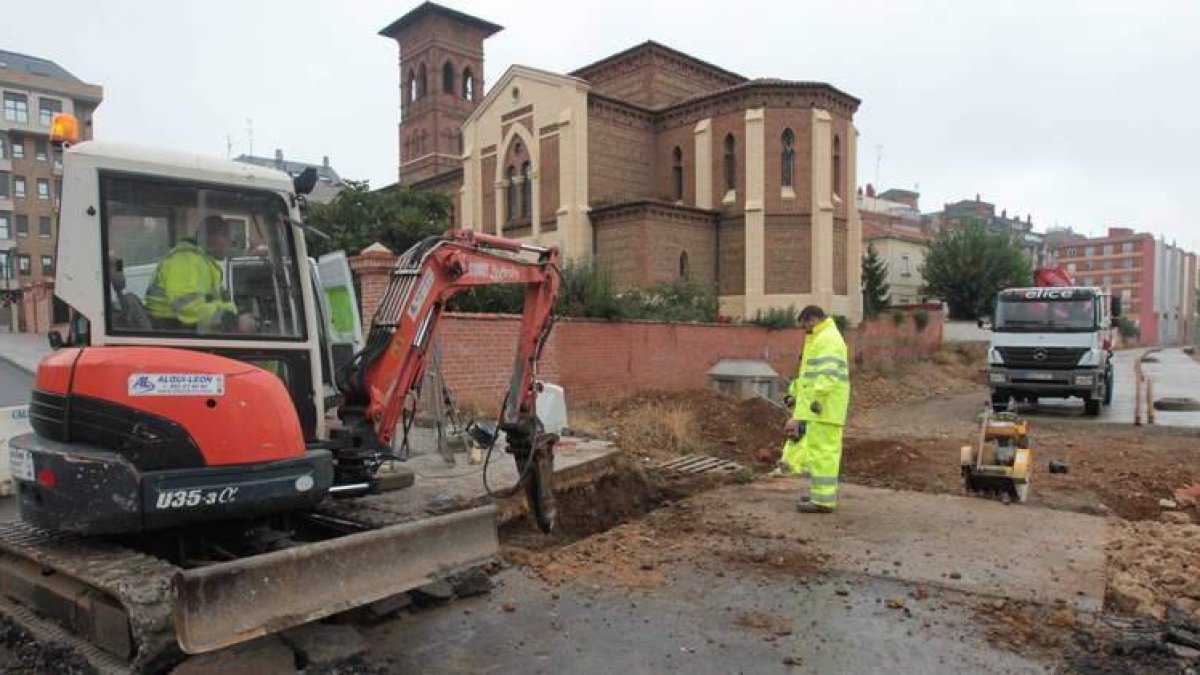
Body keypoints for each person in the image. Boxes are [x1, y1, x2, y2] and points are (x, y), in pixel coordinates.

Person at [779, 305, 850, 514]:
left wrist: (816, 400)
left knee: (824, 454)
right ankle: (819, 494)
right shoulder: (820, 338)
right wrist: (795, 394)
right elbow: (808, 377)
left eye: (805, 325)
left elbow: (827, 375)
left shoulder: (828, 339)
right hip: (820, 409)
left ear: (813, 320)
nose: (804, 329)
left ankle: (823, 501)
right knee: (817, 452)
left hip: (824, 409)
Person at [145, 215, 257, 334]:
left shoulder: (203, 261)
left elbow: (214, 302)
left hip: (184, 327)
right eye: (229, 239)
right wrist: (232, 322)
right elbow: (187, 305)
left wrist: (237, 315)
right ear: (215, 239)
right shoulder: (186, 260)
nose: (231, 244)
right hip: (171, 330)